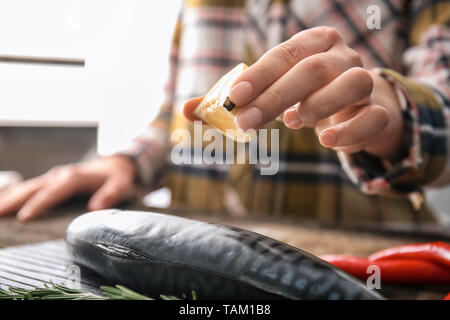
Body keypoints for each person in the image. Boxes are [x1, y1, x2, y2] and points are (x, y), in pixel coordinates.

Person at [0, 0, 448, 229]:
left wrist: (390, 111)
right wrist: (128, 162)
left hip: (356, 263)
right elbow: (181, 115)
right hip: (193, 266)